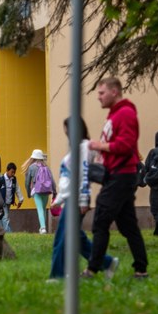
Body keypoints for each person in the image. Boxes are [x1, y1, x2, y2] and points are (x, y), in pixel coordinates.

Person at [83, 77, 148, 279]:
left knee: (101, 221)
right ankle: (141, 269)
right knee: (128, 226)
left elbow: (127, 146)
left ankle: (92, 269)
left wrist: (98, 146)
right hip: (116, 175)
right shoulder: (114, 115)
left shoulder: (126, 114)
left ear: (114, 91)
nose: (98, 97)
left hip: (122, 176)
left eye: (101, 93)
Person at [49, 117, 118, 280]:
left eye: (66, 129)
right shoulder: (77, 149)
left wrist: (83, 199)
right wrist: (58, 200)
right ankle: (107, 262)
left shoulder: (84, 148)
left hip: (76, 199)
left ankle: (57, 274)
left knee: (62, 238)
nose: (65, 132)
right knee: (76, 238)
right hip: (70, 198)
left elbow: (84, 174)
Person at [22, 149, 56, 234]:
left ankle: (43, 228)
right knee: (43, 209)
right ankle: (42, 228)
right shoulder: (46, 167)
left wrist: (28, 192)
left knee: (40, 209)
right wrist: (54, 192)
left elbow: (27, 182)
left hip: (37, 191)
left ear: (33, 157)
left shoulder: (31, 167)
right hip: (46, 191)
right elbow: (52, 180)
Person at [0, 162, 23, 232]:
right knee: (5, 218)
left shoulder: (14, 180)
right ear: (7, 170)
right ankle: (10, 233)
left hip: (9, 202)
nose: (13, 174)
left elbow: (17, 189)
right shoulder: (1, 179)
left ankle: (1, 231)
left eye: (14, 172)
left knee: (2, 218)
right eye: (12, 172)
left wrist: (20, 200)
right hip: (2, 202)